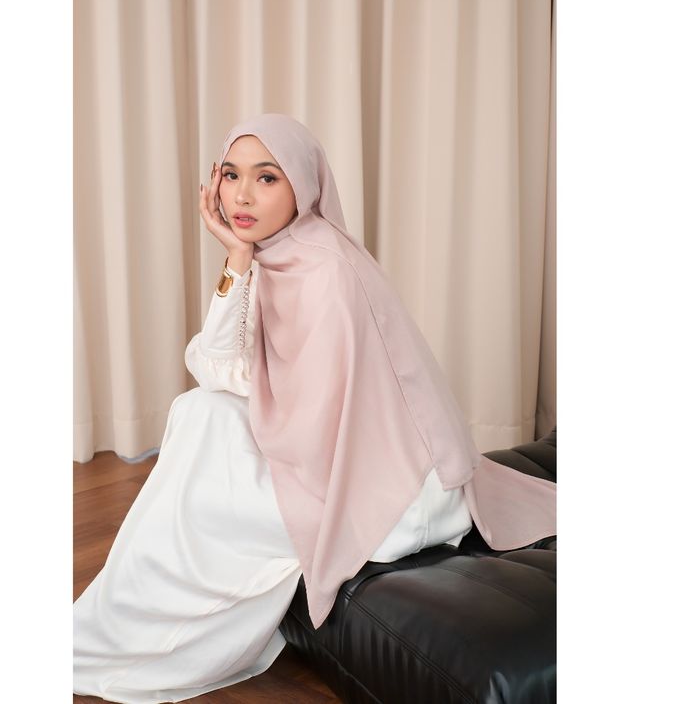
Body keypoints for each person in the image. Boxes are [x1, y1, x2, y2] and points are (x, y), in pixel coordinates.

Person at [73, 113, 556, 703]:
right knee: (201, 414)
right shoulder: (277, 255)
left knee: (200, 477)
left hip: (396, 496)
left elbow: (312, 422)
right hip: (337, 459)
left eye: (266, 177)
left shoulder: (326, 267)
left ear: (302, 185)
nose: (241, 195)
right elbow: (214, 368)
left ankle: (132, 632)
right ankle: (129, 624)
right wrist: (236, 258)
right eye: (230, 175)